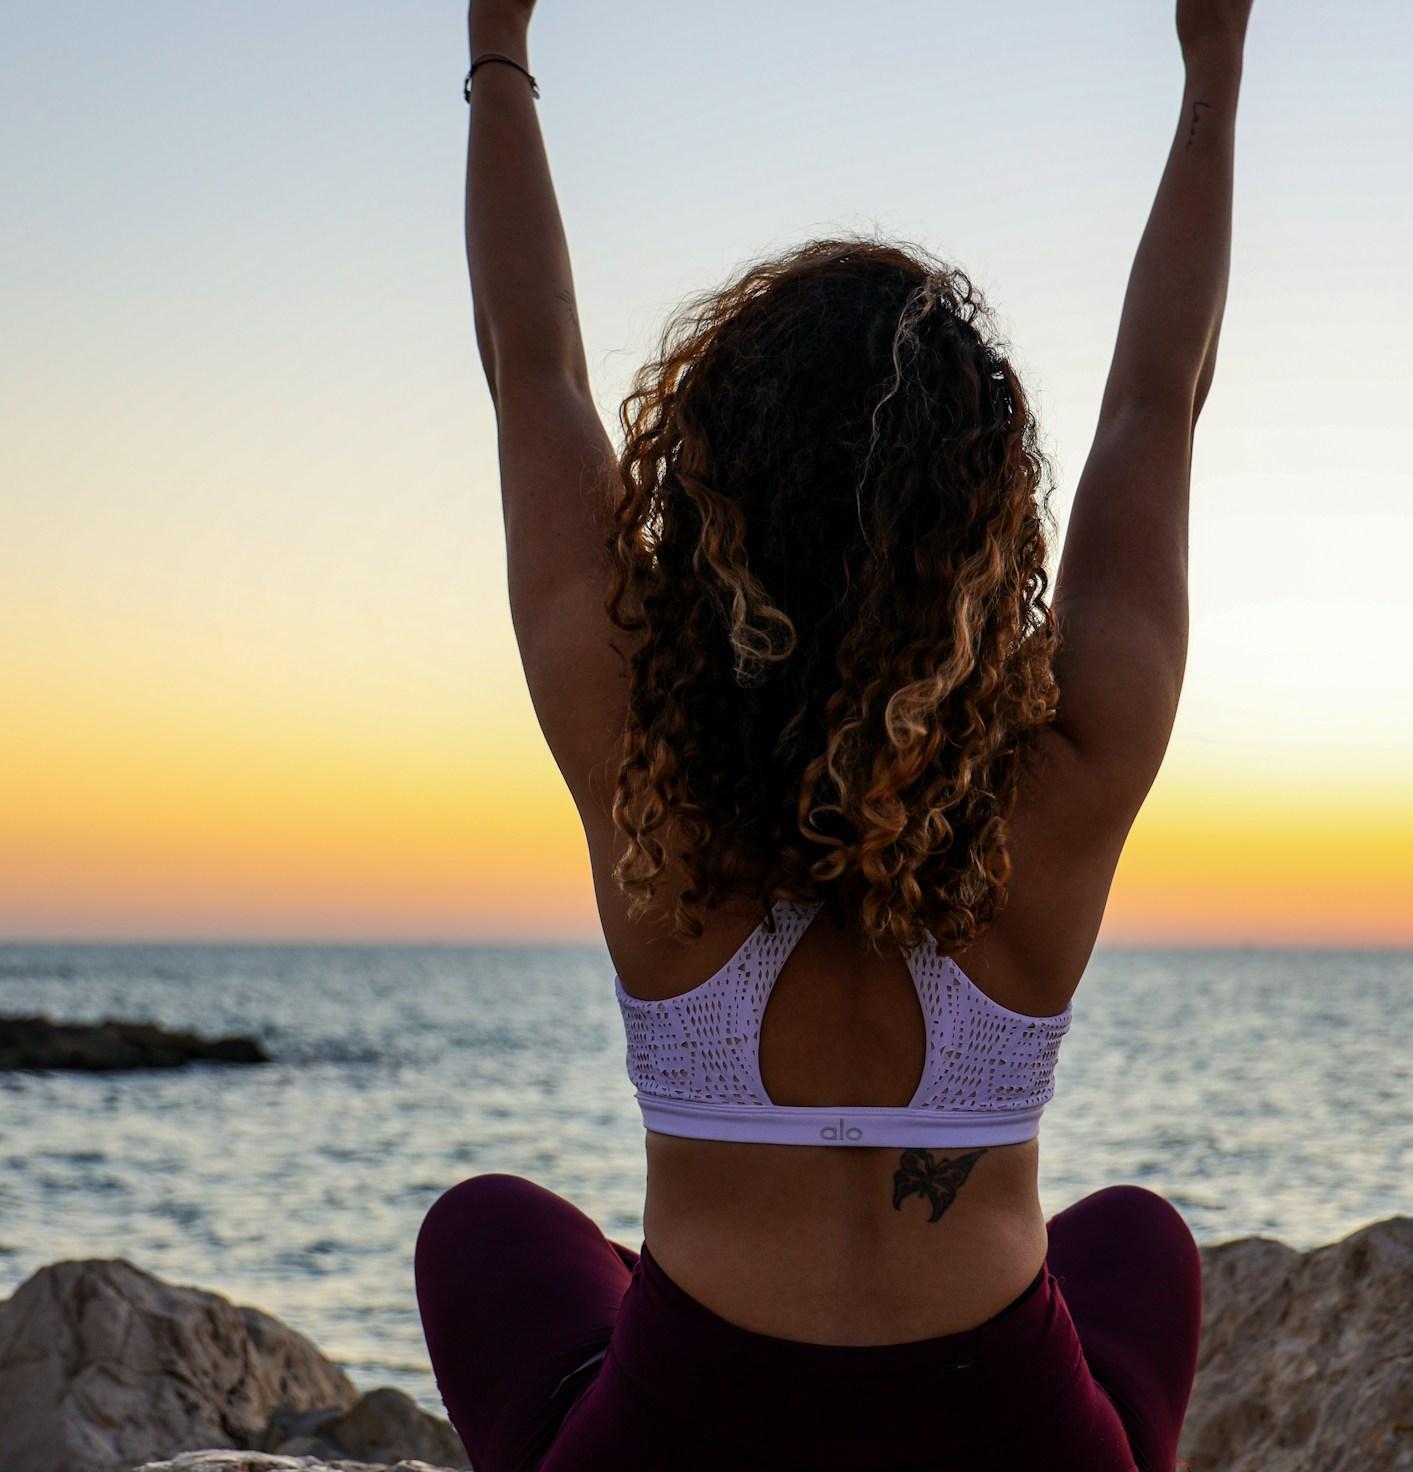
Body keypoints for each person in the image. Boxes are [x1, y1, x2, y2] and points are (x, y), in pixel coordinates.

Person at [418, 1, 1254, 1467]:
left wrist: (499, 43)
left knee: (486, 1231)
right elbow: (1154, 403)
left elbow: (531, 367)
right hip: (1011, 1434)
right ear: (984, 530)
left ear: (712, 500)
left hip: (688, 1430)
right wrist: (1213, 71)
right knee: (1138, 1241)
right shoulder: (1068, 773)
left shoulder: (641, 759)